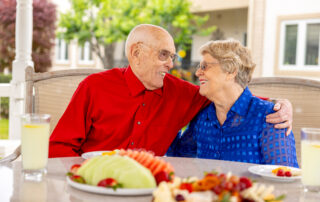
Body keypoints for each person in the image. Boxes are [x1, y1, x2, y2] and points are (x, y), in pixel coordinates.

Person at [49, 24, 293, 158]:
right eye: (163, 55)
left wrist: (276, 105)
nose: (171, 64)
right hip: (92, 189)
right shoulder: (94, 87)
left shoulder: (181, 93)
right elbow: (58, 146)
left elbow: (230, 96)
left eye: (172, 56)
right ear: (136, 53)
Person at [167, 40, 298, 167]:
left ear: (230, 71)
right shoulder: (202, 118)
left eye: (204, 66)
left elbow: (285, 176)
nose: (197, 72)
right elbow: (178, 156)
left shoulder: (270, 117)